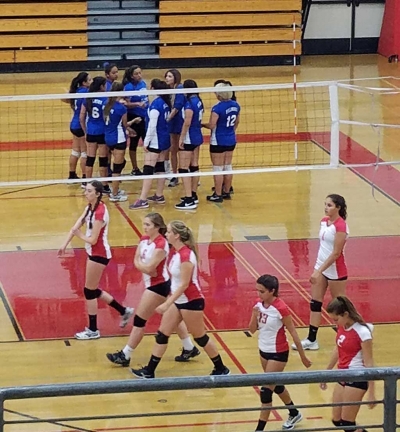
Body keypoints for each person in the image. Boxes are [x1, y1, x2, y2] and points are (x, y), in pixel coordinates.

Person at [131, 220, 230, 378]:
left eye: (169, 232)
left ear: (176, 236)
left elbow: (184, 284)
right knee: (162, 334)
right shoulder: (176, 252)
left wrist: (167, 303)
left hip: (191, 302)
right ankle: (149, 371)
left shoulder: (186, 256)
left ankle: (221, 368)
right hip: (179, 301)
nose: (166, 234)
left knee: (200, 337)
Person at [106, 213, 199, 366]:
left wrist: (140, 265)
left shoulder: (161, 244)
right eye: (144, 224)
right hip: (152, 283)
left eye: (148, 225)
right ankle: (189, 347)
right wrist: (141, 265)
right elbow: (138, 260)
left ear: (157, 227)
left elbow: (150, 268)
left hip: (158, 285)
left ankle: (126, 354)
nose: (144, 227)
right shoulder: (144, 239)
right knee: (173, 318)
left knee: (139, 319)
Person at [58, 180, 134, 339]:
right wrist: (64, 245)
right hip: (94, 253)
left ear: (98, 194)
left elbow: (93, 240)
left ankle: (93, 330)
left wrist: (79, 235)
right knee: (93, 289)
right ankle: (123, 311)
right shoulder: (89, 209)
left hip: (99, 254)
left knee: (89, 291)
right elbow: (75, 227)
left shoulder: (100, 212)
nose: (86, 193)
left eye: (89, 191)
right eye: (86, 190)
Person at [249, 275, 311, 431]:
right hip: (263, 350)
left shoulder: (281, 308)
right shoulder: (258, 305)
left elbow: (293, 332)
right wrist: (254, 314)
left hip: (278, 352)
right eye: (257, 290)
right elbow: (251, 330)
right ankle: (294, 412)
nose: (259, 294)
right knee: (275, 385)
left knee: (265, 391)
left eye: (262, 291)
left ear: (272, 291)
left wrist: (303, 356)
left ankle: (259, 429)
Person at [293, 194, 349, 351]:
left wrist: (319, 271)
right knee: (315, 303)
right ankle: (312, 340)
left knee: (340, 306)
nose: (326, 207)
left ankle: (349, 335)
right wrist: (318, 269)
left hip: (336, 271)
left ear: (338, 207)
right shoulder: (324, 221)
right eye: (325, 204)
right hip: (321, 267)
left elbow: (336, 253)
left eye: (330, 205)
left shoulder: (341, 227)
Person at [320, 296, 376, 431]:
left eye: (336, 319)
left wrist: (372, 392)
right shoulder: (342, 326)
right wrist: (326, 373)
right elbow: (338, 349)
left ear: (345, 314)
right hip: (343, 375)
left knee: (347, 423)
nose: (335, 322)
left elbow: (369, 363)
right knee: (337, 420)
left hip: (357, 377)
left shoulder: (362, 332)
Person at [129, 79, 171, 210]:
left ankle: (142, 200)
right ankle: (159, 195)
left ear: (153, 89)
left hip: (155, 141)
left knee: (148, 169)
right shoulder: (165, 103)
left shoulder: (155, 106)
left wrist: (145, 142)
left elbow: (152, 126)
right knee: (160, 167)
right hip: (164, 139)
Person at [202, 82, 241, 203]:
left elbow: (212, 125)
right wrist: (230, 132)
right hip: (231, 139)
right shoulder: (236, 105)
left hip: (218, 140)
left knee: (218, 168)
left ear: (219, 95)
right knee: (228, 166)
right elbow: (237, 122)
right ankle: (226, 191)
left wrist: (201, 124)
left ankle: (217, 194)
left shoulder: (217, 108)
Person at [103, 81, 135, 202]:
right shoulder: (121, 108)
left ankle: (114, 189)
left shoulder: (106, 105)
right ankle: (114, 194)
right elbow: (124, 124)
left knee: (118, 164)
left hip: (108, 138)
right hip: (119, 139)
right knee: (117, 168)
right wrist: (132, 126)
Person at [175, 79, 204, 210]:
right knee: (194, 165)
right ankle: (193, 195)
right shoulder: (199, 101)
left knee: (183, 168)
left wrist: (181, 138)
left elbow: (187, 122)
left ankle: (188, 200)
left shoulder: (189, 105)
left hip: (189, 138)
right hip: (197, 136)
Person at [79, 76, 111, 194]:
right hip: (102, 132)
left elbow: (81, 117)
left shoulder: (88, 98)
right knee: (103, 160)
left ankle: (87, 184)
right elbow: (107, 117)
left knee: (90, 159)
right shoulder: (105, 99)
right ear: (102, 86)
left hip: (91, 132)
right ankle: (105, 186)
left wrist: (85, 131)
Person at [64, 72, 92, 183]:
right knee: (85, 153)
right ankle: (85, 178)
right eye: (89, 80)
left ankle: (72, 175)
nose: (92, 82)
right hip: (81, 125)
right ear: (84, 83)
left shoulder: (76, 91)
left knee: (75, 151)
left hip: (73, 124)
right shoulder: (87, 93)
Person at [122, 65, 148, 176]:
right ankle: (135, 168)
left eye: (140, 73)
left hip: (145, 117)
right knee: (134, 143)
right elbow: (126, 104)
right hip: (134, 117)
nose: (139, 75)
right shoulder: (128, 87)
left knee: (148, 142)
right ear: (132, 76)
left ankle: (149, 166)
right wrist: (137, 104)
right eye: (136, 74)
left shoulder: (143, 84)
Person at [164, 69, 184, 188]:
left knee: (182, 150)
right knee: (173, 149)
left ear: (176, 78)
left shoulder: (180, 89)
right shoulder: (168, 90)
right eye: (166, 76)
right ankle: (174, 175)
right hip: (172, 123)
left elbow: (176, 108)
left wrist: (166, 120)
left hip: (179, 121)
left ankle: (189, 174)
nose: (167, 78)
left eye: (170, 76)